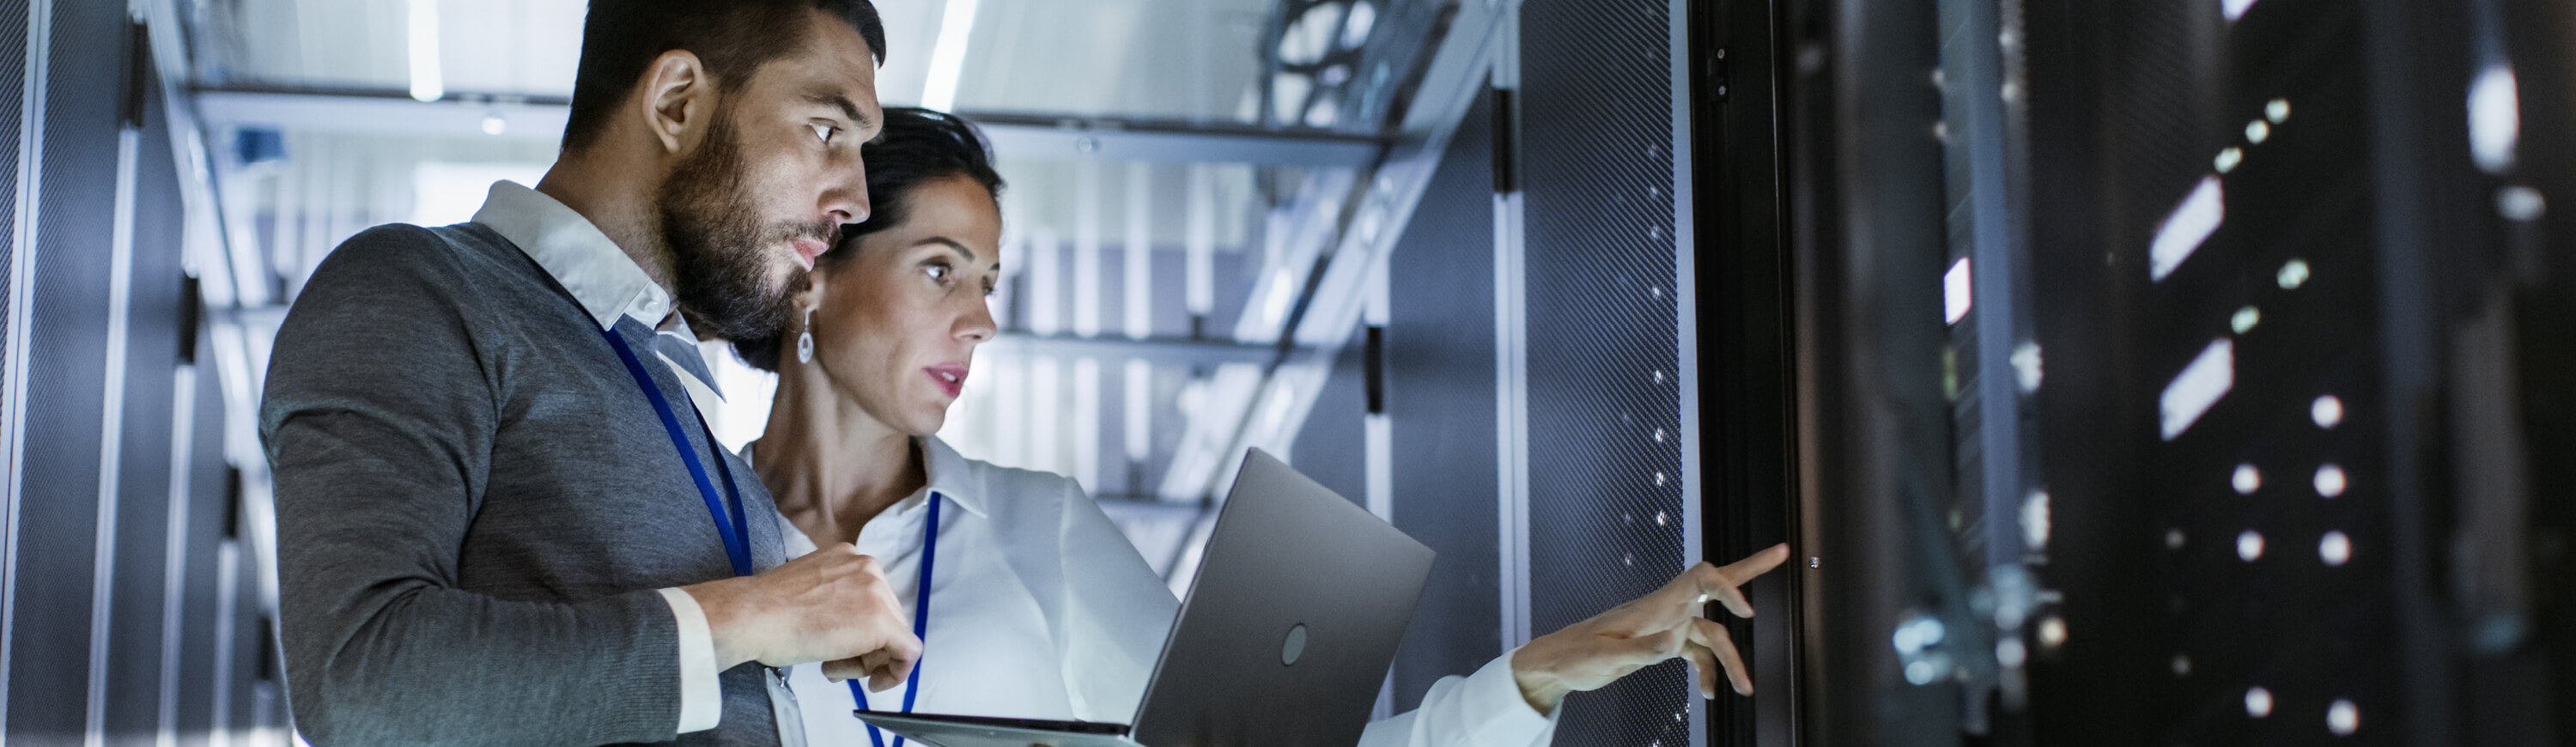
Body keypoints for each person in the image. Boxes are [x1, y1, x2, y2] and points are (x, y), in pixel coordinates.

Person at [731, 107, 1795, 747]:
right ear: (816, 272)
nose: (985, 318)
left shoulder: (1033, 527)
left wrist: (1548, 670)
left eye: (991, 280)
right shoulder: (684, 530)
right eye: (939, 270)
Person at [259, 2, 927, 744]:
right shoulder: (418, 289)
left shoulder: (668, 380)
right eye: (827, 131)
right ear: (677, 102)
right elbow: (360, 682)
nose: (857, 201)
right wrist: (753, 614)